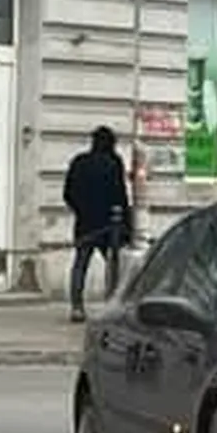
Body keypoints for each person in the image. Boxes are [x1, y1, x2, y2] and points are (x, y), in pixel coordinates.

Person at [62, 126, 133, 321]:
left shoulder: (79, 162)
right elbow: (120, 195)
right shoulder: (113, 162)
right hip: (109, 223)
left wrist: (80, 210)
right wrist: (127, 223)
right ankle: (112, 304)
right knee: (112, 266)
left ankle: (77, 307)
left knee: (80, 264)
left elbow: (68, 193)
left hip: (85, 222)